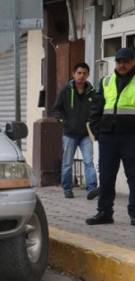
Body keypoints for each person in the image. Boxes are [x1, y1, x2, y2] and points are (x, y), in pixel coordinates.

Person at [86, 47, 135, 226]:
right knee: (106, 177)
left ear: (133, 61)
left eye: (126, 61)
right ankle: (104, 212)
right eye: (119, 61)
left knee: (133, 176)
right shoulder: (106, 81)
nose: (122, 65)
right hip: (108, 137)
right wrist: (98, 131)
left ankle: (134, 213)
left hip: (131, 136)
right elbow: (96, 109)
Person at [52, 62, 98, 199]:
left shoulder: (92, 92)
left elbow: (97, 109)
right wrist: (64, 122)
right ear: (73, 74)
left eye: (84, 73)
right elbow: (56, 109)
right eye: (79, 73)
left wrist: (94, 124)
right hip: (69, 134)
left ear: (88, 75)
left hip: (86, 134)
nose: (82, 76)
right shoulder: (66, 91)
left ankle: (91, 189)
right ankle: (67, 188)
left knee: (89, 161)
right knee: (67, 163)